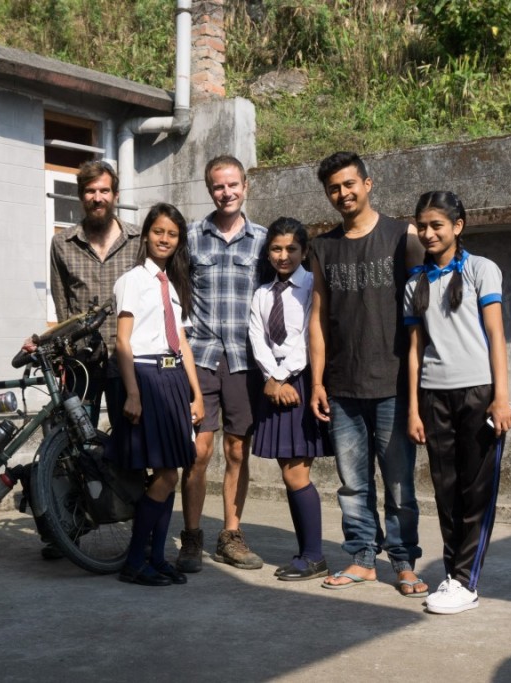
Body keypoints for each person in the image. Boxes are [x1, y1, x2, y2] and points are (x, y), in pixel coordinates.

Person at [308, 151, 428, 595]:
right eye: (334, 188)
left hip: (394, 383)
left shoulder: (403, 237)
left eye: (349, 184)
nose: (343, 194)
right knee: (352, 484)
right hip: (341, 386)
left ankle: (403, 560)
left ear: (368, 184)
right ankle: (361, 558)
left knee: (399, 484)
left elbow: (425, 307)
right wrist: (317, 382)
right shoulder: (323, 247)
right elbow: (317, 321)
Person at [405, 190, 511, 614]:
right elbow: (415, 349)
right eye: (423, 226)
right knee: (446, 489)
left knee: (476, 489)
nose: (429, 233)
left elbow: (496, 335)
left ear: (457, 227)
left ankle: (466, 581)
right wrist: (414, 408)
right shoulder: (415, 282)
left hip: (479, 394)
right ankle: (453, 573)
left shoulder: (481, 270)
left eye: (437, 225)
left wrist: (501, 396)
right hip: (434, 395)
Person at [176, 155, 267, 572]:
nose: (226, 192)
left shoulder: (264, 241)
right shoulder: (192, 237)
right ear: (209, 189)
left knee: (236, 449)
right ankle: (191, 537)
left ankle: (231, 533)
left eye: (232, 185)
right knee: (198, 451)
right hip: (202, 357)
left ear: (245, 186)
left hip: (245, 360)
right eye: (217, 186)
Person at [108, 203, 205, 587]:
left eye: (172, 234)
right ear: (146, 234)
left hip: (173, 377)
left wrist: (196, 394)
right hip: (146, 378)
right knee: (163, 474)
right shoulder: (133, 280)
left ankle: (157, 557)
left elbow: (181, 340)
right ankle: (135, 561)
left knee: (172, 470)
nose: (164, 239)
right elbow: (123, 341)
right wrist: (133, 392)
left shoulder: (172, 283)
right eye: (158, 231)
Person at [249, 217, 332, 581]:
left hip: (301, 382)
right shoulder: (262, 293)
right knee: (288, 471)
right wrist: (269, 377)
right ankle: (305, 552)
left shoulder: (313, 285)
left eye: (291, 249)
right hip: (273, 385)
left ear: (304, 251)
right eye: (276, 249)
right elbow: (257, 338)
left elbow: (311, 338)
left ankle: (314, 555)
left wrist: (283, 377)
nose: (283, 256)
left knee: (298, 472)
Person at [49, 160, 141, 425]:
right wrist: (64, 354)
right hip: (81, 359)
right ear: (81, 196)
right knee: (79, 436)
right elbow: (62, 305)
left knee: (128, 439)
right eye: (90, 192)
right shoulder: (62, 244)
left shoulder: (137, 241)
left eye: (104, 191)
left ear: (115, 195)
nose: (97, 198)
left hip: (127, 357)